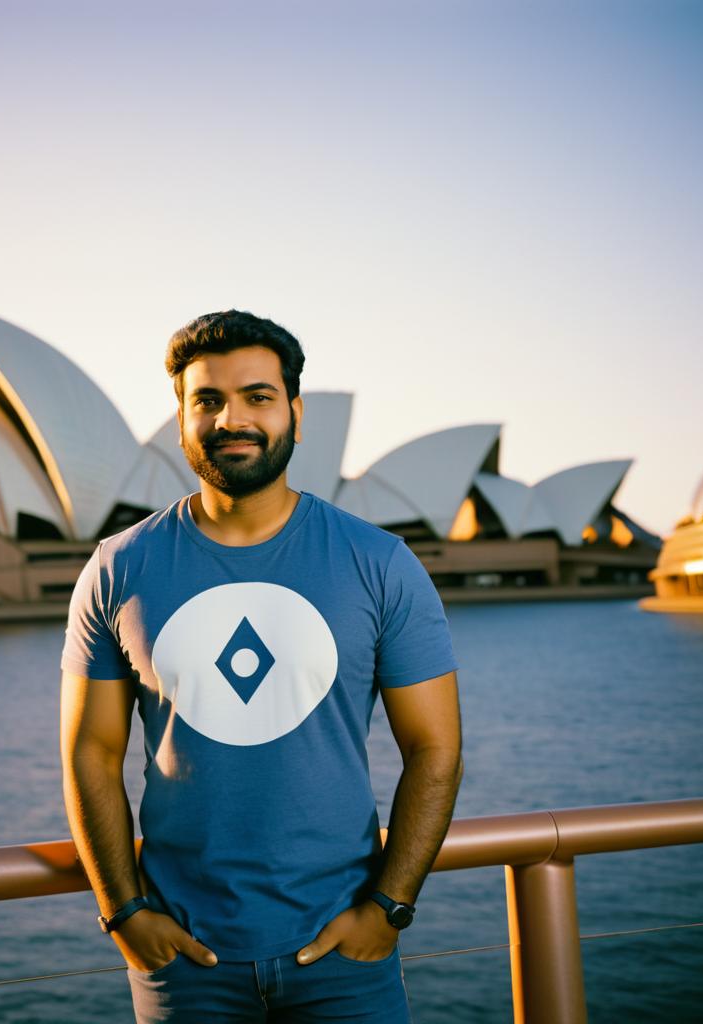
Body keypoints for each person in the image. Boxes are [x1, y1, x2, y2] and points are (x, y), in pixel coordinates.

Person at [60, 310, 462, 1023]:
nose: (231, 419)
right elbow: (91, 752)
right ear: (180, 421)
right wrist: (122, 912)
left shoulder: (380, 563)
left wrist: (388, 908)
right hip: (182, 963)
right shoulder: (118, 569)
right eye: (207, 401)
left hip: (346, 957)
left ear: (296, 414)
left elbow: (436, 750)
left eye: (257, 397)